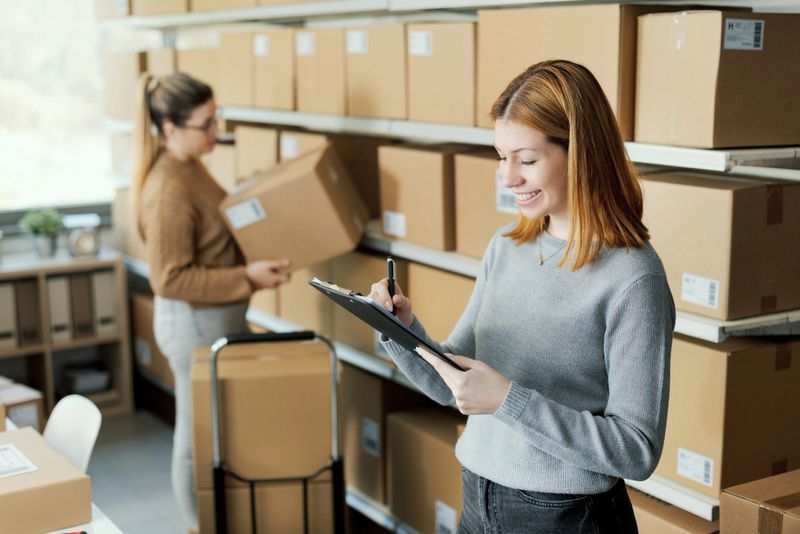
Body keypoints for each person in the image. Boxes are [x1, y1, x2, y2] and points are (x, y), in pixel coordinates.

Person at [369, 60, 675, 533]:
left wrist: (509, 400)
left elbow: (636, 450)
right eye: (500, 157)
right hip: (477, 494)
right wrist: (401, 331)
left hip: (566, 517)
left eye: (526, 160)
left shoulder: (632, 277)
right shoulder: (507, 248)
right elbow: (451, 385)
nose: (507, 178)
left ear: (581, 155)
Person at [131, 72, 290, 531]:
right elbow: (169, 279)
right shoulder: (168, 191)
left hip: (215, 319)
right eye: (206, 124)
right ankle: (196, 526)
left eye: (216, 118)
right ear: (171, 129)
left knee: (213, 429)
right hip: (194, 325)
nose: (216, 132)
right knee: (196, 436)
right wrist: (246, 277)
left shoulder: (190, 166)